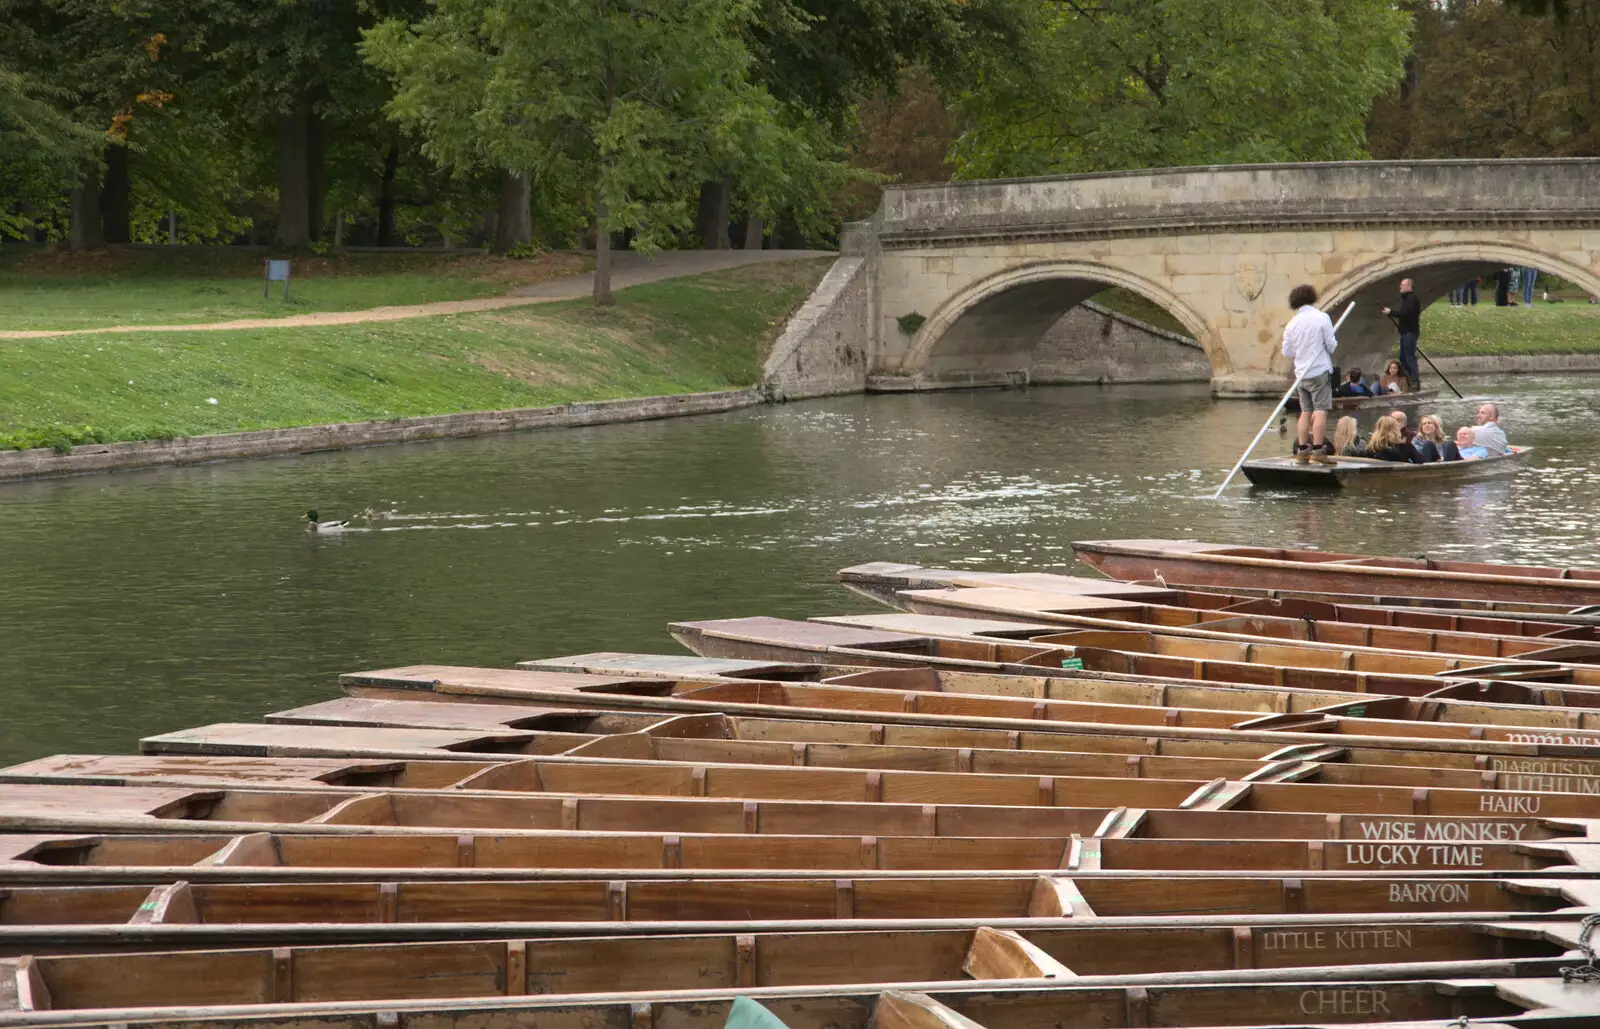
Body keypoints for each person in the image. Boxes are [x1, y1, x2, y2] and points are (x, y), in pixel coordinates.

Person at [1280, 283, 1338, 464]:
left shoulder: (1291, 324)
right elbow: (1331, 345)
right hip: (1318, 370)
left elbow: (1287, 353)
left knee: (1305, 411)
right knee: (1320, 410)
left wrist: (1302, 351)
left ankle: (1303, 449)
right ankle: (1319, 450)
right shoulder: (1322, 318)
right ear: (1312, 297)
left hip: (1301, 374)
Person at [1381, 278, 1422, 391]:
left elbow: (1405, 314)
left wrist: (1391, 312)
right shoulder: (1406, 299)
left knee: (1409, 357)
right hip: (1405, 333)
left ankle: (1415, 381)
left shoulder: (1412, 299)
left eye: (1403, 285)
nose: (1400, 287)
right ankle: (1408, 379)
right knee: (1402, 357)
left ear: (1409, 286)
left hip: (1410, 333)